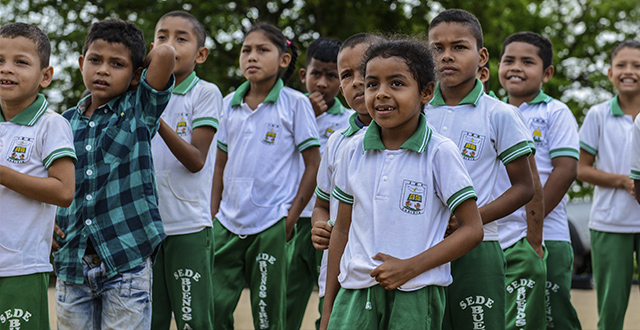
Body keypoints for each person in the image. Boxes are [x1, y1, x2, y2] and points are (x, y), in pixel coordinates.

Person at [320, 38, 484, 330]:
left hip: (417, 293)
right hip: (354, 294)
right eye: (372, 84)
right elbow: (341, 229)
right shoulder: (350, 150)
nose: (381, 94)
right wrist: (329, 307)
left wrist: (411, 267)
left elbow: (472, 230)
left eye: (396, 83)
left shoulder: (440, 152)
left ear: (426, 92)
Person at [54, 18, 176, 330]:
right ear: (81, 63)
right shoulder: (63, 124)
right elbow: (55, 181)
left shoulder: (139, 109)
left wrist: (138, 69)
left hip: (126, 260)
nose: (103, 70)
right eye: (95, 60)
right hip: (73, 262)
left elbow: (164, 54)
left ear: (136, 74)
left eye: (117, 64)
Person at [426, 9, 535, 330]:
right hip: (420, 246)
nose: (446, 56)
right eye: (437, 48)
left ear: (482, 55)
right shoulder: (414, 112)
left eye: (459, 47)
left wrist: (467, 219)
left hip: (479, 246)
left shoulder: (499, 114)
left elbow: (524, 188)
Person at [210, 23, 321, 330]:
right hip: (227, 221)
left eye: (262, 50)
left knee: (267, 312)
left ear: (284, 60)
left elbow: (313, 164)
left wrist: (289, 218)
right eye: (246, 50)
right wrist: (213, 214)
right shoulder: (228, 103)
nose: (252, 57)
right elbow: (219, 165)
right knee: (214, 305)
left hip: (272, 222)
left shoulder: (296, 104)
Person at [498, 31, 582, 330]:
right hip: (502, 235)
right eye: (509, 60)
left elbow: (566, 170)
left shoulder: (555, 112)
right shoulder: (493, 110)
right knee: (514, 315)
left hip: (550, 234)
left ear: (547, 73)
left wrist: (531, 219)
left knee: (554, 315)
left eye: (527, 61)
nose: (516, 67)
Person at [149, 11, 222, 330]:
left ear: (200, 54)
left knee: (193, 321)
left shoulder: (204, 93)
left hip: (188, 225)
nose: (169, 45)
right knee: (150, 319)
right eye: (162, 37)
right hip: (146, 229)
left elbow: (196, 160)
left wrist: (155, 118)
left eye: (181, 38)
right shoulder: (137, 94)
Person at [0, 22, 76, 330]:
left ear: (45, 76)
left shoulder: (51, 125)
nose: (7, 69)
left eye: (20, 62)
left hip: (21, 268)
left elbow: (64, 191)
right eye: (0, 61)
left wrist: (3, 174)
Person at [310, 32, 385, 330]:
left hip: (395, 277)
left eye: (364, 71)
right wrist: (319, 226)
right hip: (339, 275)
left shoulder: (419, 139)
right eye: (346, 75)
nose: (356, 81)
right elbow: (321, 205)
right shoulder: (337, 142)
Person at [286, 36, 351, 330]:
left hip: (329, 223)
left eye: (332, 75)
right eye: (316, 74)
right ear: (303, 75)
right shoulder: (288, 111)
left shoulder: (350, 119)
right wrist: (306, 116)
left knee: (329, 292)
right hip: (293, 218)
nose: (322, 83)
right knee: (286, 296)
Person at [577, 39, 640, 330]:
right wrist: (622, 181)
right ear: (609, 72)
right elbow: (581, 169)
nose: (629, 71)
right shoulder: (598, 114)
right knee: (611, 311)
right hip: (609, 223)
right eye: (622, 65)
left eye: (637, 65)